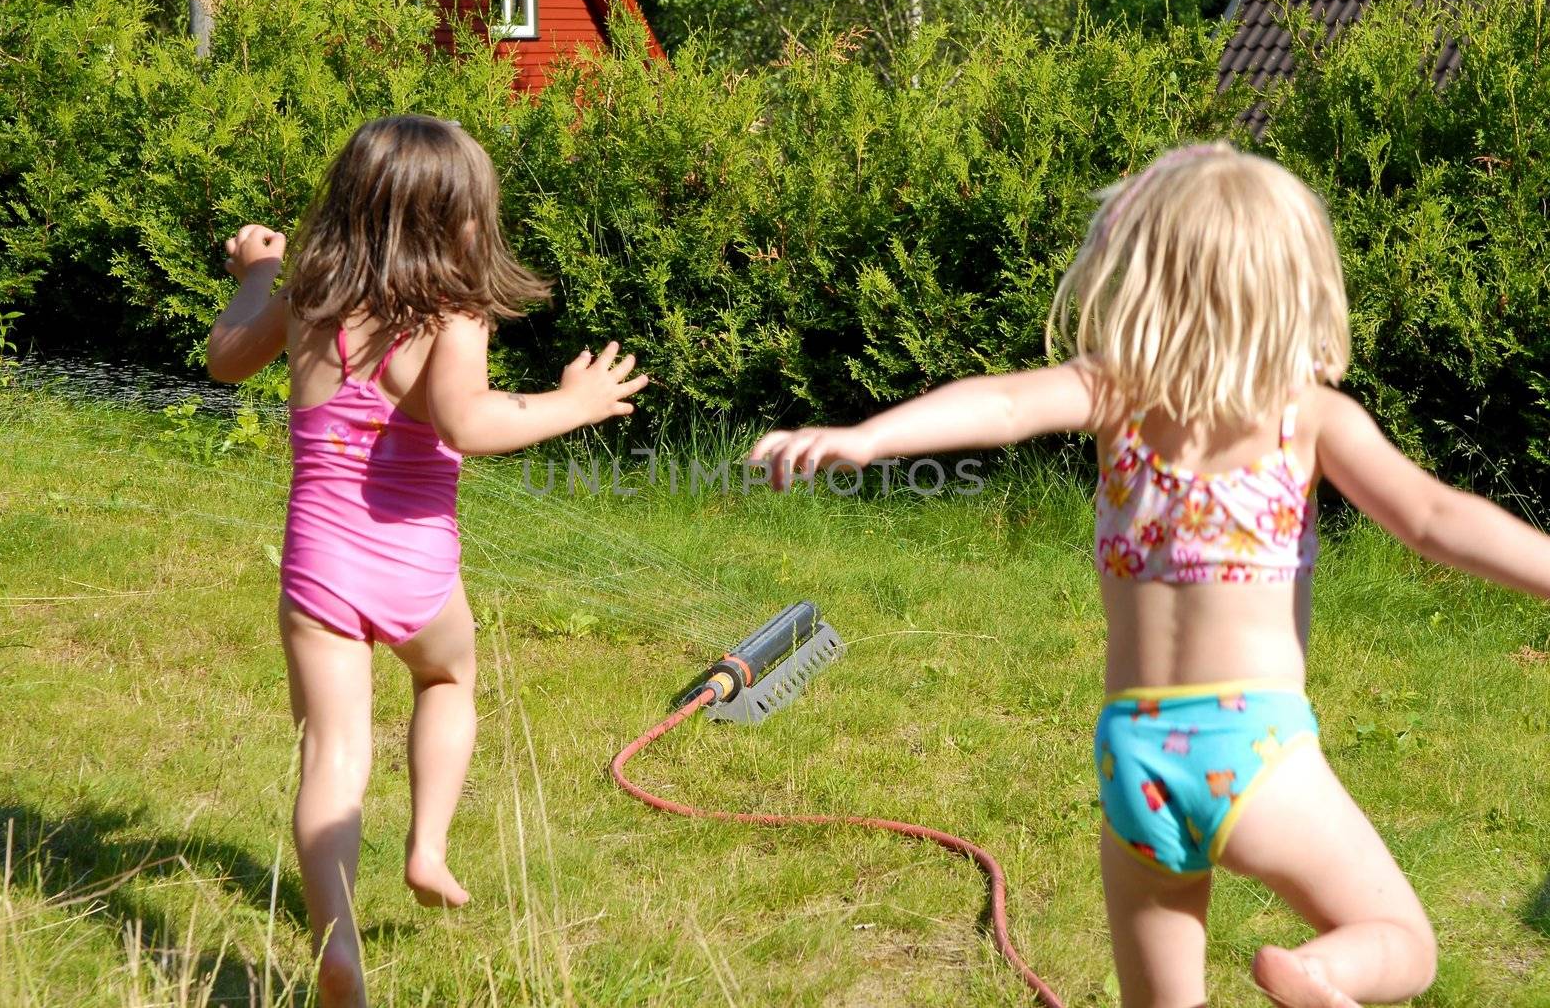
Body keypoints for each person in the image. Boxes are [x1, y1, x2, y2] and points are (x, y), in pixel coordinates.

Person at [750, 141, 1550, 1006]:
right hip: (1251, 746)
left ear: (1138, 278)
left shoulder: (1118, 396)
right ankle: (1322, 973)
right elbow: (1434, 519)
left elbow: (1006, 405)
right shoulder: (1309, 418)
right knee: (1402, 941)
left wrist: (868, 437)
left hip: (1134, 754)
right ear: (1291, 288)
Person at [206, 115, 648, 1007]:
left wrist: (258, 271)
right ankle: (428, 847)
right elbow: (467, 422)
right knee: (448, 679)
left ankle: (338, 939)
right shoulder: (454, 311)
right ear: (456, 221)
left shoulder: (314, 297)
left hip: (319, 564)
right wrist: (579, 401)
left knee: (332, 751)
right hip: (414, 565)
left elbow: (225, 358)